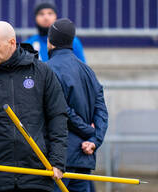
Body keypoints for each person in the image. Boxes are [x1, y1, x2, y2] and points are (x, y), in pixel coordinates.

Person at [0, 21, 68, 192]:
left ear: (12, 42)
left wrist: (57, 161)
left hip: (36, 175)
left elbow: (57, 117)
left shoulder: (42, 72)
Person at [46, 18, 108, 192]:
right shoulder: (88, 71)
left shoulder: (48, 69)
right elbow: (101, 110)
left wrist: (90, 132)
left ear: (50, 42)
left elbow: (60, 109)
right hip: (84, 156)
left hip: (58, 159)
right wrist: (94, 139)